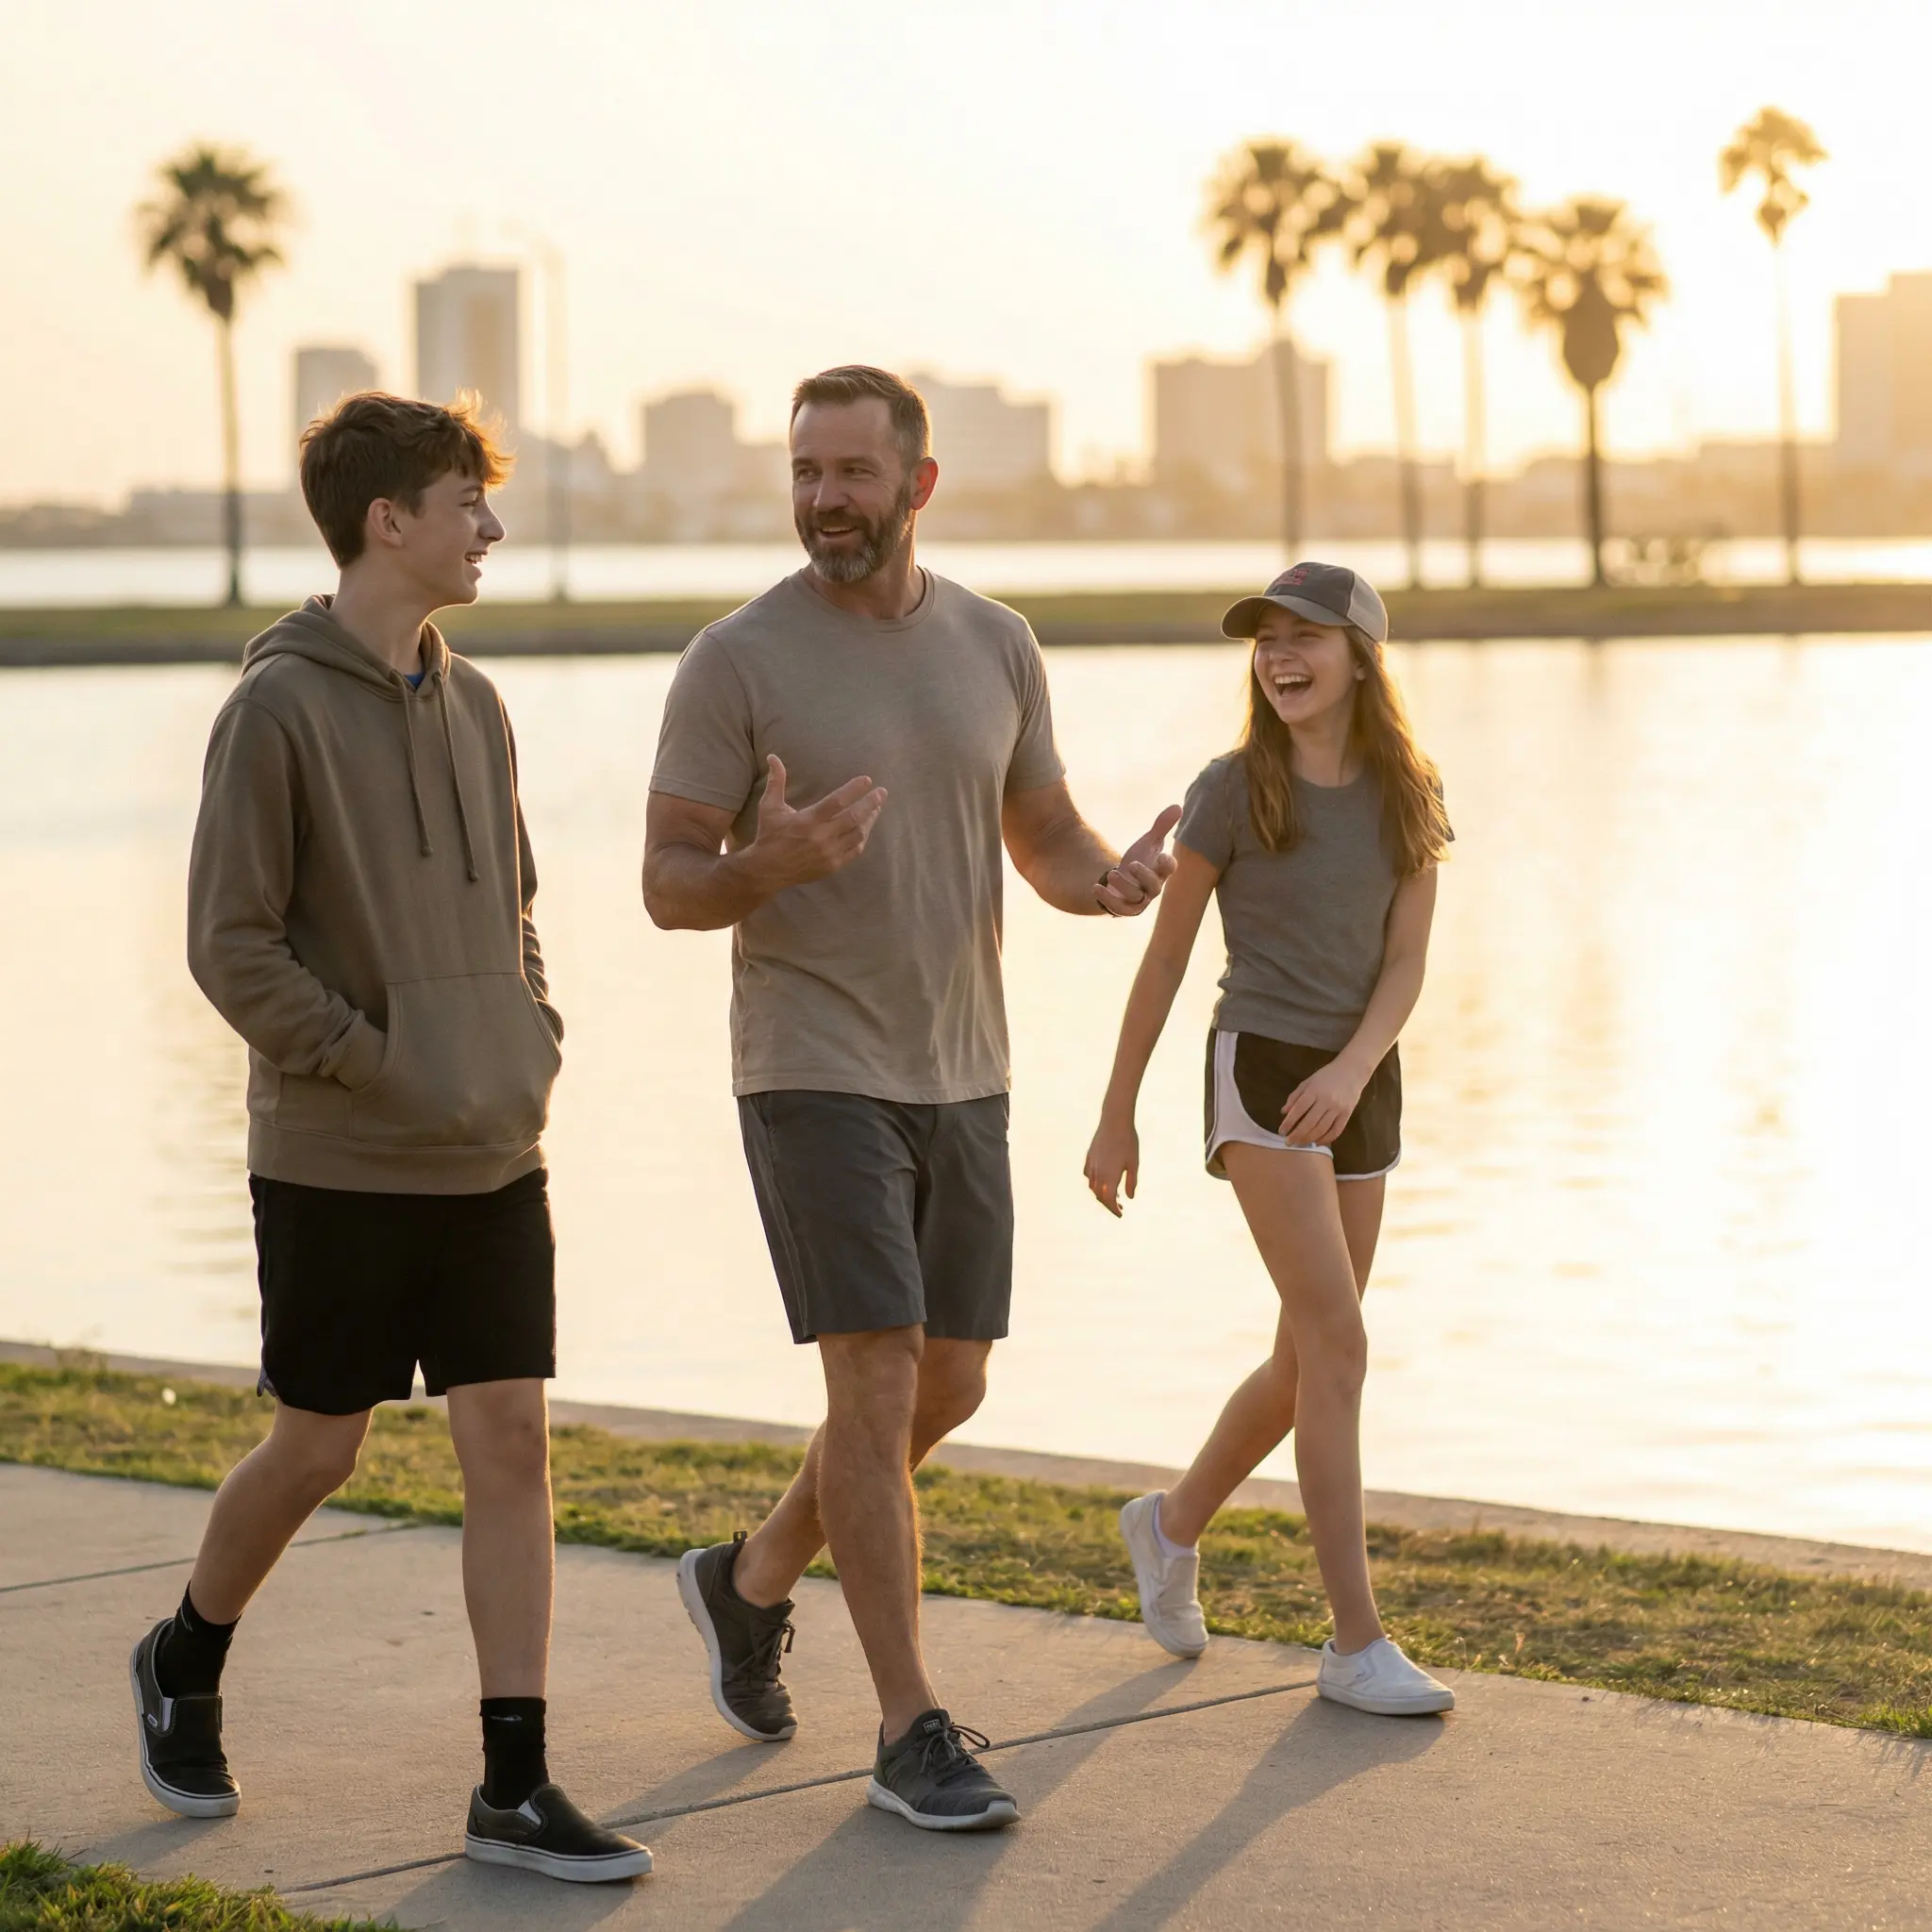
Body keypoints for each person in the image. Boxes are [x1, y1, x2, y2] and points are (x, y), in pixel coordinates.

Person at [643, 365, 1178, 1831]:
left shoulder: (996, 644)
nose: (826, 498)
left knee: (952, 1384)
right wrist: (770, 866)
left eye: (853, 472)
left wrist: (1105, 885)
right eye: (807, 471)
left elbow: (1046, 826)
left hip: (966, 1065)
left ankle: (747, 1584)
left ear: (918, 484)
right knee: (874, 1388)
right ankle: (908, 1729)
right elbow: (668, 881)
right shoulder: (735, 660)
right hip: (812, 1066)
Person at [133, 392, 652, 1883]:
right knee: (318, 1446)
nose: (488, 528)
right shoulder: (276, 709)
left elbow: (520, 909)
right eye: (465, 502)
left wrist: (525, 1035)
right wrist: (370, 1065)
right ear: (388, 522)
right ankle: (185, 1652)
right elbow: (230, 947)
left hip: (495, 1148)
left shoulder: (479, 703)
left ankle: (513, 1782)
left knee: (512, 1441)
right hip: (341, 1155)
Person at [1083, 561, 1457, 1717]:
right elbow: (1164, 959)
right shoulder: (1231, 788)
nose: (1278, 655)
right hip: (1259, 1071)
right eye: (1265, 638)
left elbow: (1403, 963)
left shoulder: (1407, 790)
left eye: (1304, 635)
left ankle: (1169, 1521)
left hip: (1359, 1082)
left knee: (1306, 1355)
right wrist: (1113, 1112)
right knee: (1339, 1342)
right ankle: (1352, 1641)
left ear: (1357, 656)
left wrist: (1355, 1067)